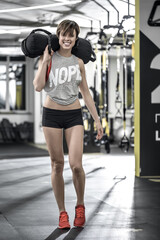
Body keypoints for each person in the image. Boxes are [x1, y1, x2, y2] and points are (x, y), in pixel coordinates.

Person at [33, 19, 103, 229]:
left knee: (76, 165)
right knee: (57, 164)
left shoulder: (78, 62)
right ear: (58, 36)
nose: (66, 38)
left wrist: (97, 120)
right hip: (51, 115)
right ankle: (62, 213)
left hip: (73, 115)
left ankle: (79, 206)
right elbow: (38, 86)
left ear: (75, 39)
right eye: (63, 34)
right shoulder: (48, 59)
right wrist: (45, 60)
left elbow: (86, 94)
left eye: (71, 35)